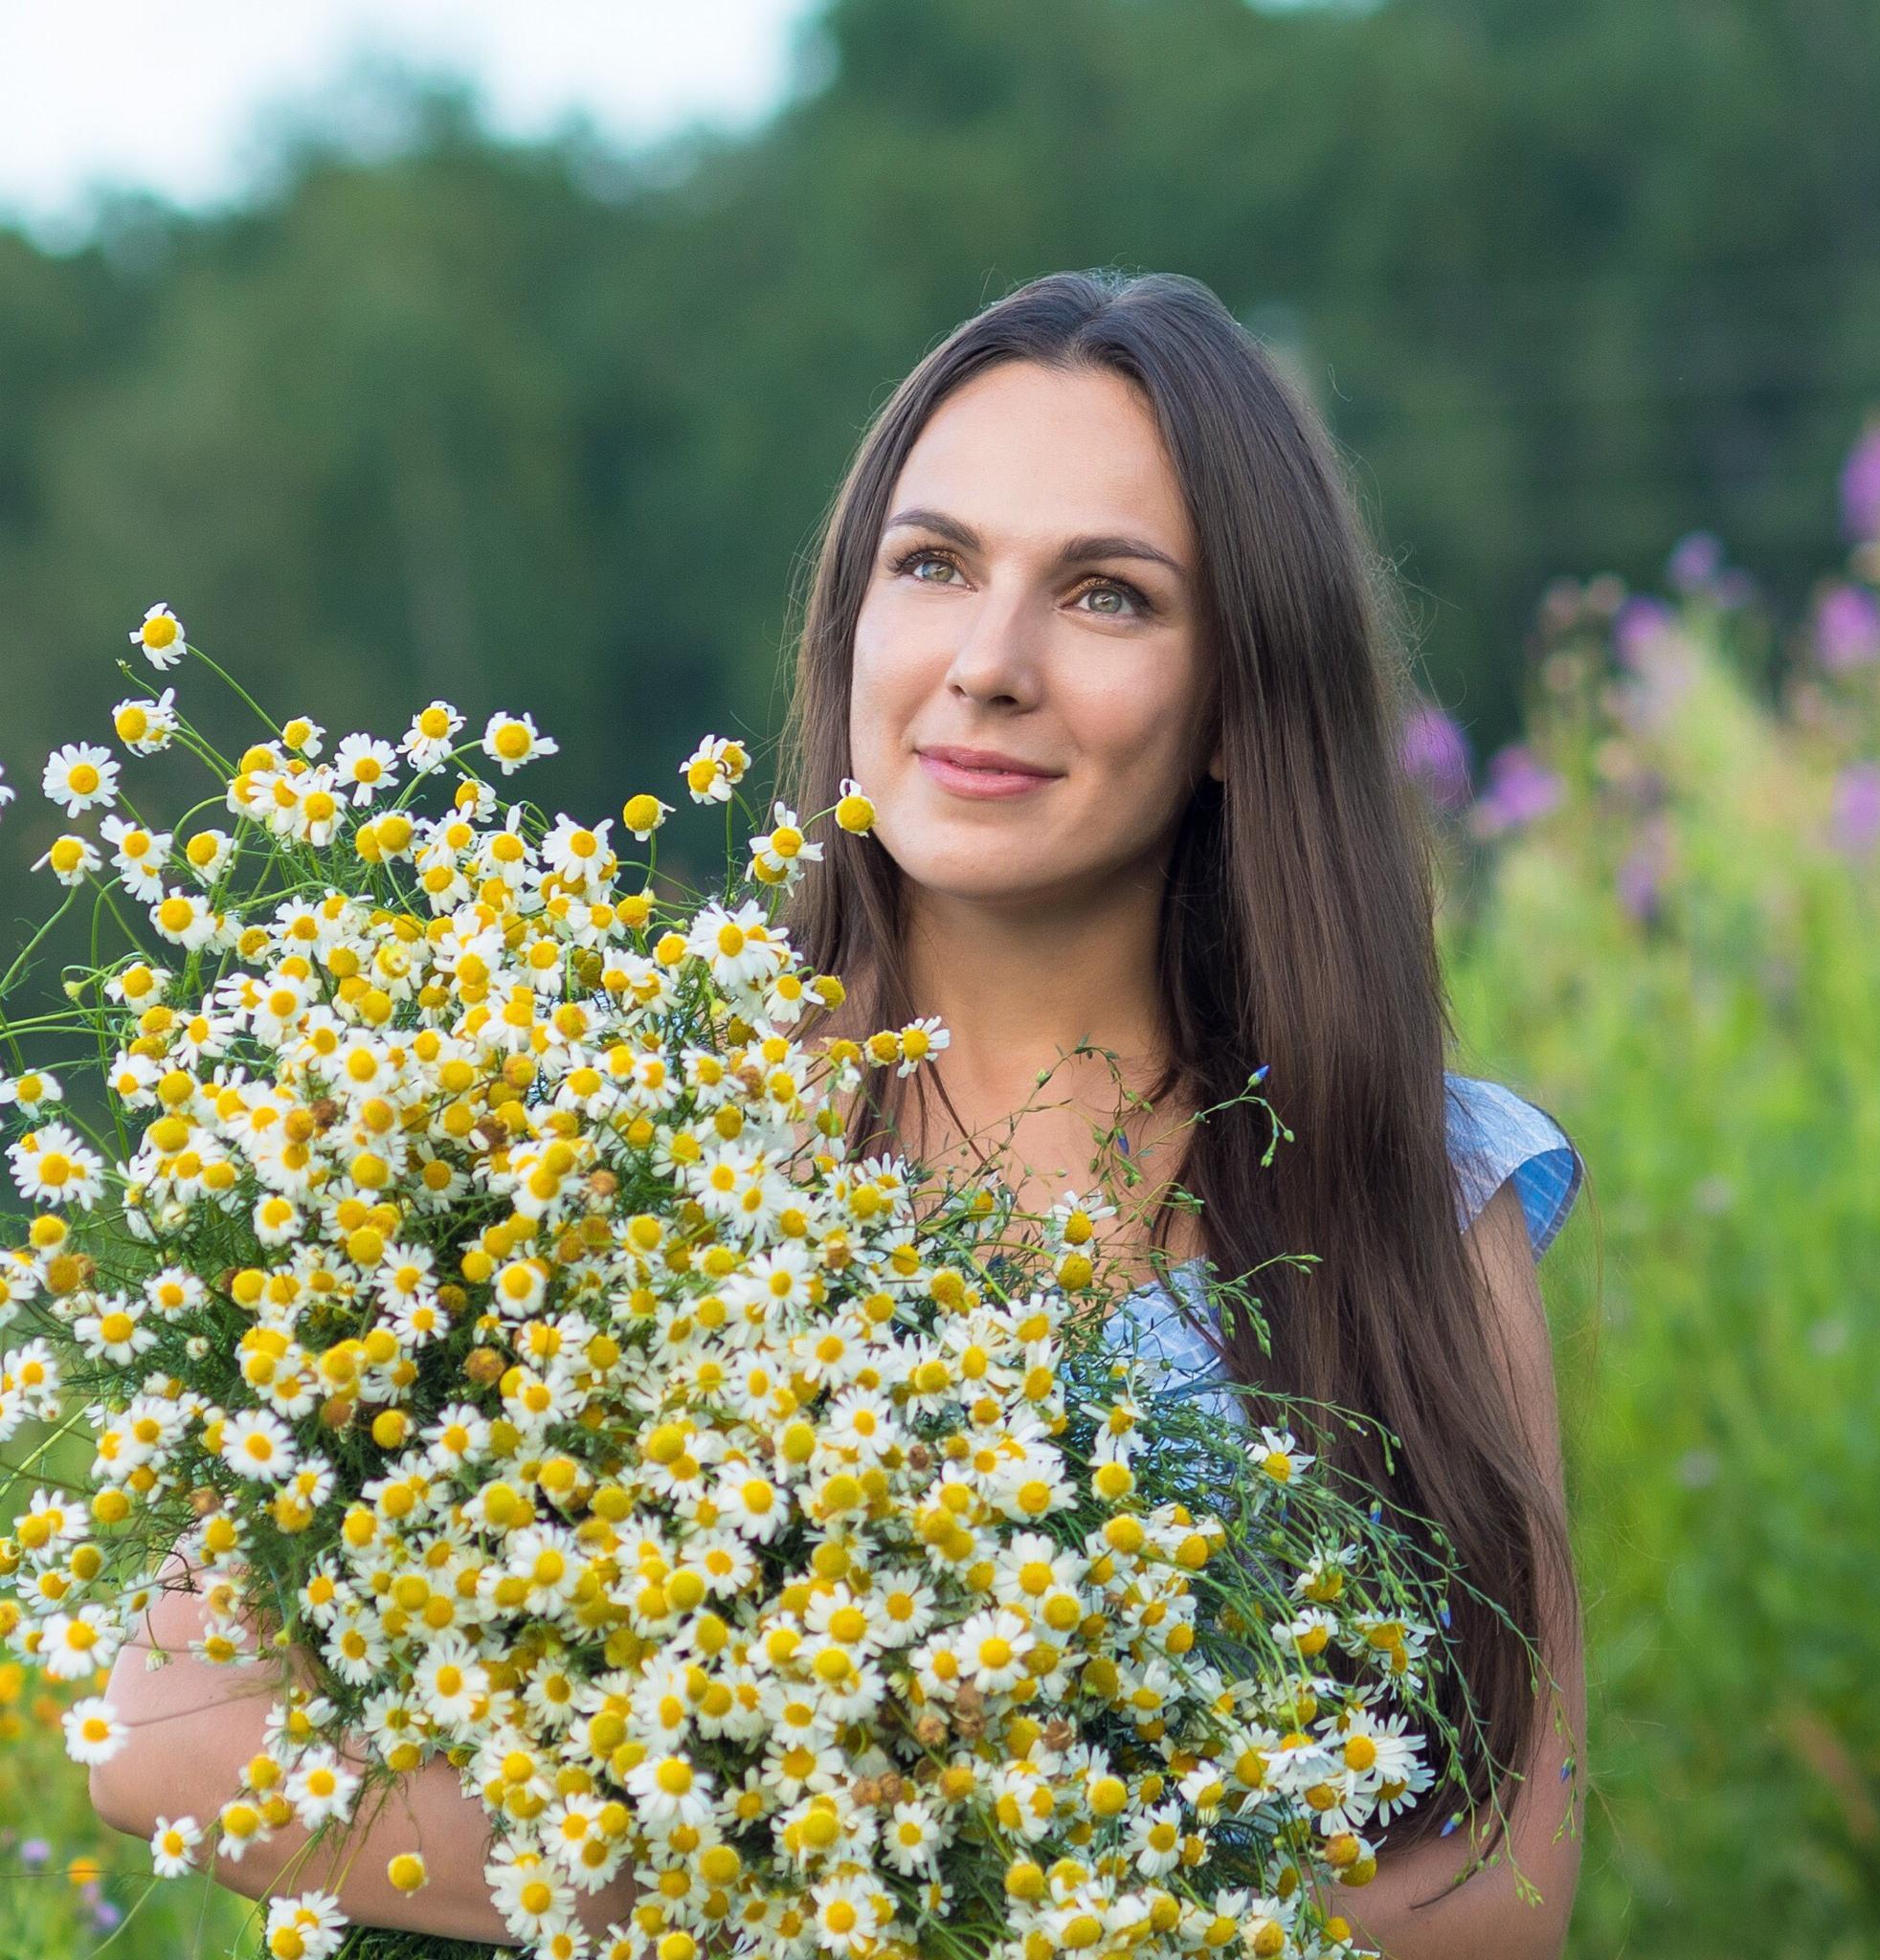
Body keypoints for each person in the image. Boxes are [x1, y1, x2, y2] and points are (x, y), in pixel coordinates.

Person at [92, 265, 1588, 1958]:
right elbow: (174, 1736)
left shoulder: (1417, 1185)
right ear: (852, 619)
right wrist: (846, 1885)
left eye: (1106, 597)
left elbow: (1489, 1907)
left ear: (1244, 700)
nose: (988, 666)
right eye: (933, 566)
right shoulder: (577, 1121)